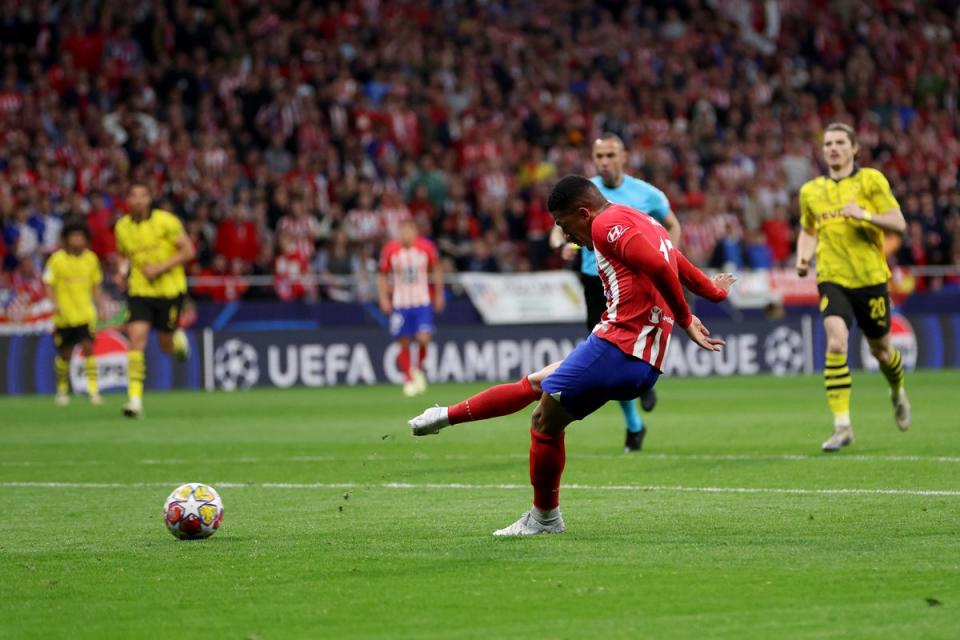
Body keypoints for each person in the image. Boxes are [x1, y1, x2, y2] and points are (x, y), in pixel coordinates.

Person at [411, 176, 734, 536]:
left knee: (543, 421)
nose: (565, 235)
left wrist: (686, 319)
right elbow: (674, 258)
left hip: (621, 347)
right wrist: (715, 294)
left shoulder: (605, 225)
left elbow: (661, 267)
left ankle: (544, 519)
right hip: (634, 354)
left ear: (583, 213)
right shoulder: (640, 219)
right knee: (537, 382)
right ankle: (443, 416)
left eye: (564, 225)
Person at [550, 133, 683, 452]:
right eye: (599, 157)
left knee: (624, 349)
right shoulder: (585, 191)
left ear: (624, 156)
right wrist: (563, 246)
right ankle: (635, 425)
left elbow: (672, 226)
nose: (604, 162)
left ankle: (643, 383)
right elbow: (559, 230)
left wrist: (669, 260)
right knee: (604, 354)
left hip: (636, 285)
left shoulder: (646, 194)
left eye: (610, 155)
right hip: (594, 281)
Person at [796, 122, 910, 452]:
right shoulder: (811, 191)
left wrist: (864, 215)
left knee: (882, 351)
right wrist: (803, 258)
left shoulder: (870, 180)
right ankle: (842, 425)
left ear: (854, 148)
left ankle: (897, 391)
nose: (832, 148)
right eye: (827, 143)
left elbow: (898, 223)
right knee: (836, 342)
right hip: (832, 278)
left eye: (839, 143)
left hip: (871, 278)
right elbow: (807, 229)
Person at [114, 182, 195, 418]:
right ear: (127, 200)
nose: (138, 200)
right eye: (133, 195)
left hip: (170, 291)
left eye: (143, 195)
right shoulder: (122, 227)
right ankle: (135, 400)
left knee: (165, 345)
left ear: (150, 199)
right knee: (136, 339)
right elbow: (123, 256)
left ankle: (178, 342)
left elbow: (188, 251)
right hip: (140, 292)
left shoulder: (166, 222)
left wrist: (159, 268)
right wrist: (121, 272)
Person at [42, 219, 105, 406]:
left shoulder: (91, 259)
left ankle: (93, 390)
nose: (77, 240)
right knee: (65, 354)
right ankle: (62, 390)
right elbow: (48, 283)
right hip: (64, 315)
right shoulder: (57, 259)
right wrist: (53, 303)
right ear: (66, 239)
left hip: (85, 314)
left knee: (88, 349)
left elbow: (96, 286)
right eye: (73, 236)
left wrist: (100, 305)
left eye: (81, 236)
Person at [378, 218, 444, 397]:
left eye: (409, 230)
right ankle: (408, 379)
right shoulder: (390, 250)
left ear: (415, 231)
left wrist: (439, 294)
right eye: (402, 230)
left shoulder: (426, 247)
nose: (406, 234)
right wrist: (384, 298)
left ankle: (417, 370)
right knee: (404, 341)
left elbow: (437, 269)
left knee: (423, 339)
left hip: (422, 302)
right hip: (401, 303)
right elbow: (382, 275)